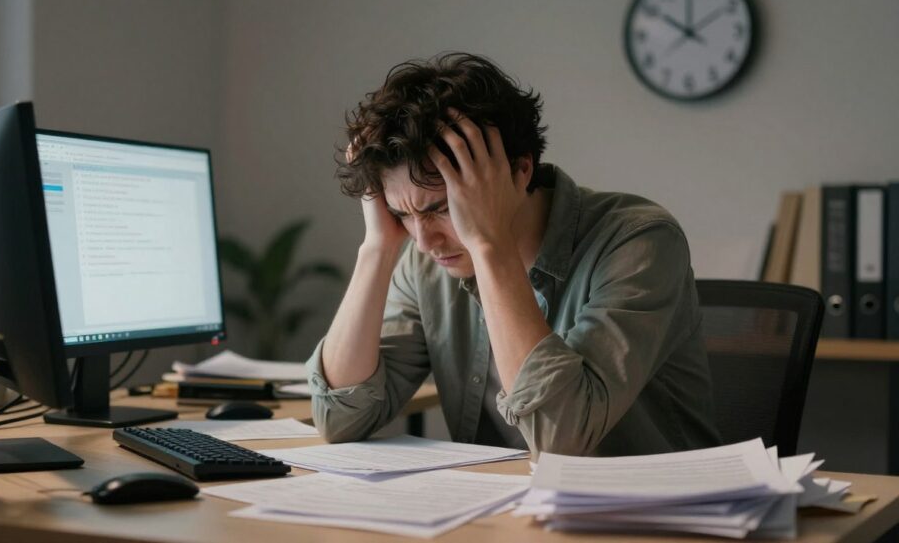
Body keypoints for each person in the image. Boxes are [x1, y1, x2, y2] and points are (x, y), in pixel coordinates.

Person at [306, 53, 721, 457]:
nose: (424, 242)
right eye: (401, 215)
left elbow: (562, 435)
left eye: (442, 208)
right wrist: (377, 248)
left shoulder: (639, 241)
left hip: (650, 517)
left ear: (520, 171)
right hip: (502, 513)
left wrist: (489, 244)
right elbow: (340, 418)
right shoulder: (425, 262)